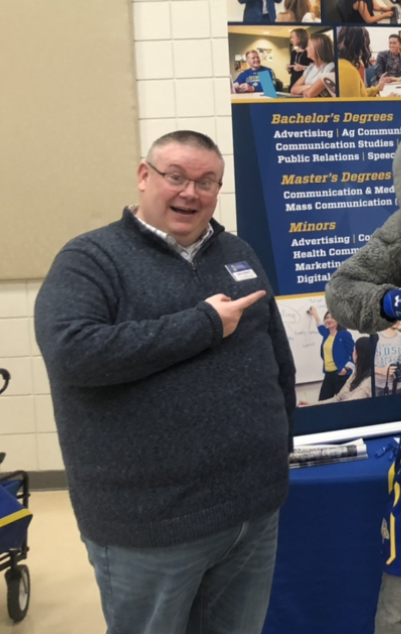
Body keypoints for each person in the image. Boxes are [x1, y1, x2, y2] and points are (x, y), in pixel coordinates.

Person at [36, 130, 295, 634]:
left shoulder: (235, 251)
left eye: (206, 182)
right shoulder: (91, 259)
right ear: (143, 176)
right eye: (175, 177)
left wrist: (279, 444)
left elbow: (275, 354)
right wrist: (201, 325)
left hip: (253, 509)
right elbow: (73, 354)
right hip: (152, 525)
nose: (190, 193)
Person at [308, 336, 376, 405]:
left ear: (359, 354)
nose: (352, 353)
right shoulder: (355, 375)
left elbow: (350, 404)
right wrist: (312, 405)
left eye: (354, 351)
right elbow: (338, 398)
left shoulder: (370, 380)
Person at [311, 305, 354, 400]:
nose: (329, 320)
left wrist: (346, 369)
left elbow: (354, 354)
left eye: (332, 317)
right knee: (322, 402)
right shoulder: (326, 334)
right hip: (328, 374)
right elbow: (320, 326)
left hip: (340, 374)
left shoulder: (344, 334)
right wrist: (314, 314)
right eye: (327, 318)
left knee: (343, 402)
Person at [337, 26, 380, 99]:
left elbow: (361, 94)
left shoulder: (345, 65)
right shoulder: (348, 71)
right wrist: (386, 101)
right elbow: (356, 108)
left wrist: (378, 88)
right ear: (361, 45)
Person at [291, 32, 335, 97]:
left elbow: (310, 93)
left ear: (318, 48)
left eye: (308, 46)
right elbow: (293, 90)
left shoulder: (331, 67)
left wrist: (304, 88)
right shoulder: (310, 67)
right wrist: (310, 86)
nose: (306, 48)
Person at [372, 321, 401, 395]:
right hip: (379, 387)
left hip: (400, 387)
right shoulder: (374, 338)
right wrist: (382, 371)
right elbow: (364, 365)